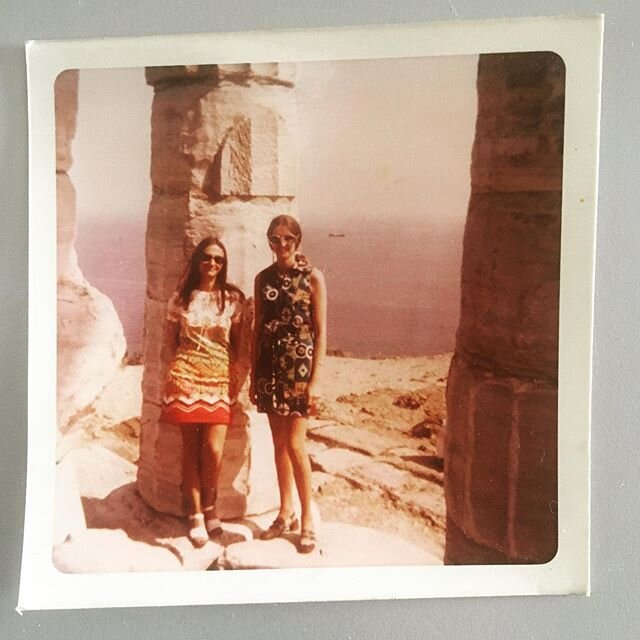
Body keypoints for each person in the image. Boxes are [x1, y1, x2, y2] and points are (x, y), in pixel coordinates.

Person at [250, 215, 327, 553]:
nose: (281, 245)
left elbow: (321, 332)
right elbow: (258, 328)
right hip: (269, 369)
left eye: (288, 239)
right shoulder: (262, 278)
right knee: (278, 444)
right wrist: (254, 374)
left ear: (298, 241)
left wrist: (316, 381)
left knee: (296, 445)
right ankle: (286, 512)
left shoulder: (313, 278)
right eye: (274, 239)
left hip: (299, 369)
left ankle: (308, 518)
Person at [161, 237, 244, 547]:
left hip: (219, 378)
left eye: (218, 260)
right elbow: (170, 341)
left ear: (223, 265)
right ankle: (197, 513)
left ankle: (211, 506)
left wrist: (236, 376)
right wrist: (172, 373)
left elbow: (238, 344)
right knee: (190, 449)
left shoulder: (232, 300)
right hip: (186, 378)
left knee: (213, 450)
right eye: (207, 258)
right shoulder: (180, 299)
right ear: (198, 261)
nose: (212, 264)